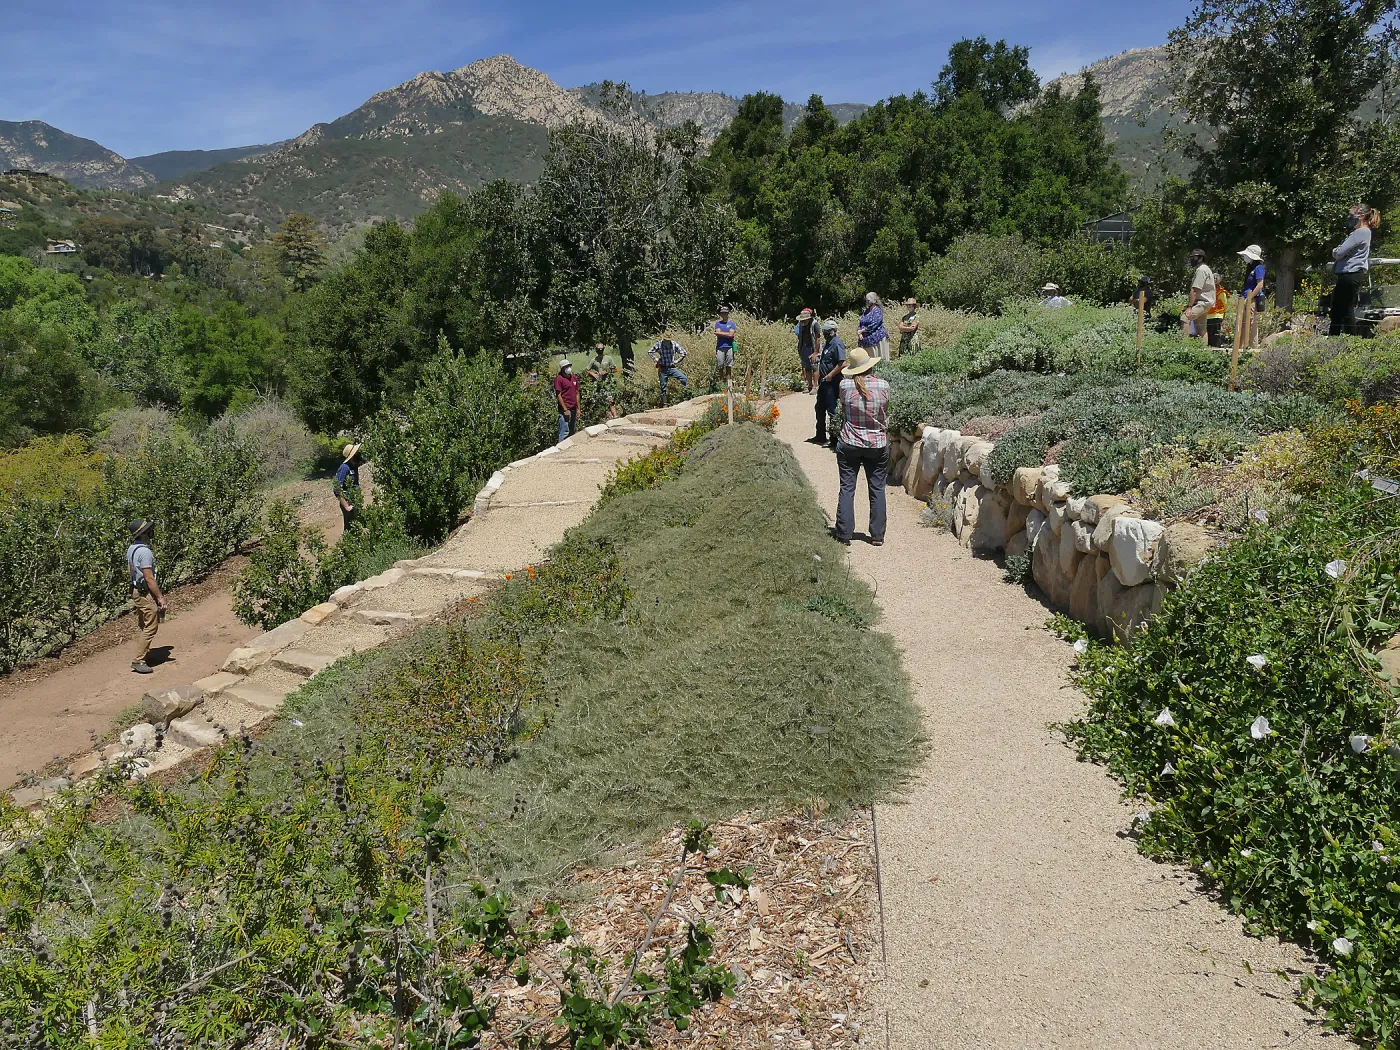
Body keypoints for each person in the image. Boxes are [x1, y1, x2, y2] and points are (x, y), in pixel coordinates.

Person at [833, 347, 890, 547]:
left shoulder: (845, 386)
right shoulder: (883, 385)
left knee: (847, 488)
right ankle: (877, 535)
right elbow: (885, 409)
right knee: (877, 488)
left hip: (850, 442)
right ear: (869, 366)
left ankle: (844, 533)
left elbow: (843, 408)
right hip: (877, 444)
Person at [126, 519, 167, 675]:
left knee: (144, 624)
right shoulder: (145, 552)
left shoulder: (132, 548)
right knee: (151, 625)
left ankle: (145, 653)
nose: (152, 531)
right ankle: (139, 660)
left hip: (137, 590)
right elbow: (149, 578)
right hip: (143, 592)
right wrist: (160, 598)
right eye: (149, 530)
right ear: (143, 534)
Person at [1330, 205, 1379, 336]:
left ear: (1361, 216)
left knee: (1342, 309)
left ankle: (1343, 339)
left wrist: (1336, 251)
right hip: (1353, 274)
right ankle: (1345, 338)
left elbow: (1339, 252)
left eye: (1352, 215)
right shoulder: (1364, 232)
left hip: (1350, 273)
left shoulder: (1360, 232)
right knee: (1342, 308)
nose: (1350, 218)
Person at [813, 318, 846, 448]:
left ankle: (834, 440)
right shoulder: (828, 343)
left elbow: (842, 363)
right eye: (824, 331)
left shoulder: (837, 344)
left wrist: (830, 375)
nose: (825, 333)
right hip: (824, 382)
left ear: (834, 331)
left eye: (828, 331)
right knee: (819, 408)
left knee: (832, 410)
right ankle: (820, 435)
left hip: (832, 382)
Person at [1182, 248, 1215, 343]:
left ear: (1201, 258)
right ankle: (1204, 352)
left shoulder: (1201, 270)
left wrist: (1189, 307)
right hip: (1206, 303)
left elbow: (1195, 289)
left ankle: (1184, 346)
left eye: (1194, 257)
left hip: (1202, 302)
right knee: (1201, 329)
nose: (1192, 259)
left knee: (1185, 318)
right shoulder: (1205, 269)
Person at [1238, 244, 1266, 347]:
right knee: (1245, 323)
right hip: (1245, 298)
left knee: (1249, 323)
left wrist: (1249, 298)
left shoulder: (1259, 268)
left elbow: (1260, 284)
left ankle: (1246, 347)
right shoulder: (1250, 267)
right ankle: (1243, 346)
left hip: (1252, 299)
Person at [648, 332, 689, 403]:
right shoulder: (659, 344)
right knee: (663, 386)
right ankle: (665, 403)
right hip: (663, 368)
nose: (667, 341)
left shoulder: (674, 344)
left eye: (668, 340)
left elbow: (684, 352)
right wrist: (656, 360)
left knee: (683, 378)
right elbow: (650, 352)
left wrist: (677, 361)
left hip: (672, 367)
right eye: (666, 340)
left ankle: (684, 396)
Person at [334, 443, 362, 534]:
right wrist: (346, 506)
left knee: (356, 525)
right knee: (349, 527)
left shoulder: (354, 466)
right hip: (348, 501)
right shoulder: (344, 468)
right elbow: (337, 489)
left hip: (355, 500)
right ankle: (348, 546)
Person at [553, 358, 581, 443]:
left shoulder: (574, 378)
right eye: (566, 367)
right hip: (565, 410)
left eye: (569, 366)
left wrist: (578, 408)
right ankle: (561, 448)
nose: (568, 368)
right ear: (562, 369)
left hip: (573, 408)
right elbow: (559, 395)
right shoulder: (559, 379)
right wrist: (565, 409)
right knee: (564, 431)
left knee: (572, 430)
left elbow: (577, 393)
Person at [794, 308, 821, 392]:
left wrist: (816, 352)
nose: (802, 322)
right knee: (807, 368)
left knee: (815, 367)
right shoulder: (801, 325)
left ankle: (815, 387)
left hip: (812, 348)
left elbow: (818, 338)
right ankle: (809, 386)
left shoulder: (815, 324)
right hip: (804, 348)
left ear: (808, 319)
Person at [858, 292, 889, 362]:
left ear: (874, 300)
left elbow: (874, 324)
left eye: (868, 300)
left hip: (877, 340)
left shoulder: (877, 311)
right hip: (866, 341)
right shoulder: (866, 311)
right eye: (866, 300)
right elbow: (861, 322)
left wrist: (862, 331)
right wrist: (859, 332)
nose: (867, 302)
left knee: (879, 361)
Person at [713, 304, 737, 384]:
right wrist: (727, 334)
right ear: (720, 314)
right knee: (720, 366)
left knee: (728, 366)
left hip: (729, 347)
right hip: (720, 347)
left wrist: (720, 333)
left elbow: (731, 335)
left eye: (725, 313)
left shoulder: (732, 324)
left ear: (728, 313)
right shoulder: (718, 323)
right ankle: (721, 384)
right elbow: (728, 334)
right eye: (722, 313)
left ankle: (728, 385)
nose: (724, 314)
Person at [1205, 273, 1229, 348]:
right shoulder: (1222, 292)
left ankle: (1211, 347)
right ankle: (1216, 348)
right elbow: (1225, 304)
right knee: (1216, 334)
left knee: (1210, 333)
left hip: (1210, 315)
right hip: (1216, 315)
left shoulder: (1207, 291)